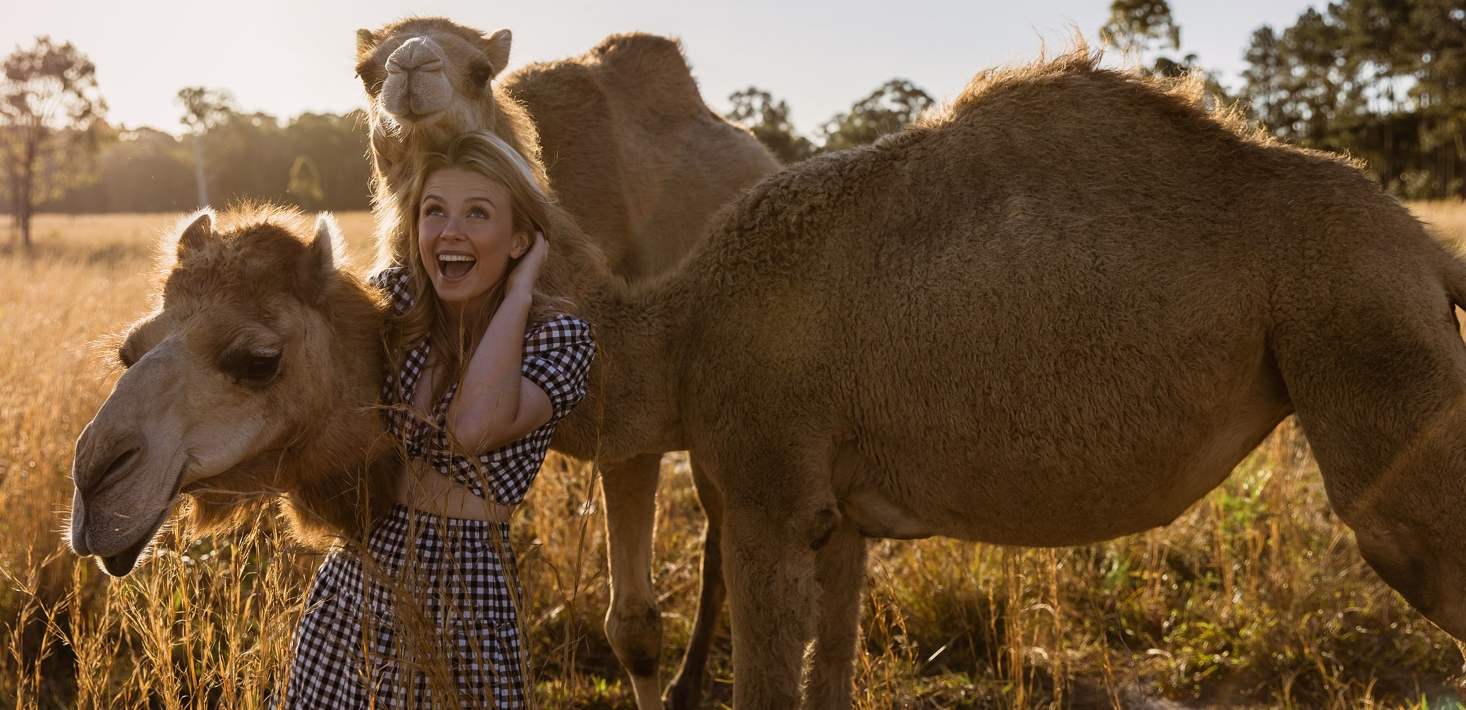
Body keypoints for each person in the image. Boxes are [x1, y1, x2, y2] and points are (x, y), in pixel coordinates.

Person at [283, 131, 595, 709]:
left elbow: (472, 428)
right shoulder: (394, 303)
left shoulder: (558, 338)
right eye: (434, 212)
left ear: (522, 239)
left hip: (466, 593)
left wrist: (520, 292)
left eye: (477, 213)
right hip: (356, 575)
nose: (450, 231)